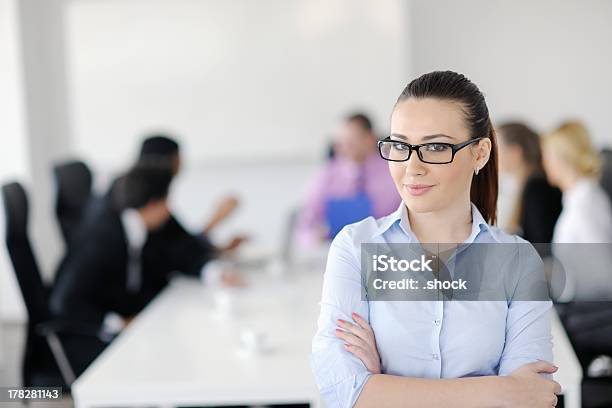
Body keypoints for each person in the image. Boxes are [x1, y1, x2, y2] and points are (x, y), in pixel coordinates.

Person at [310, 71, 560, 407]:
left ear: (480, 153)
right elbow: (344, 392)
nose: (412, 167)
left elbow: (531, 399)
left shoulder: (518, 261)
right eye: (400, 145)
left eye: (436, 146)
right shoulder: (355, 247)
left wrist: (381, 385)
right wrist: (500, 389)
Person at [295, 114, 401, 247]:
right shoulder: (325, 175)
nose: (344, 147)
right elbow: (305, 225)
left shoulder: (394, 170)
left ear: (370, 138)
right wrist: (315, 239)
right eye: (341, 142)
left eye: (351, 141)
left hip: (387, 250)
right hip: (335, 249)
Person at [541, 121, 612, 243]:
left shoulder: (585, 204)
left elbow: (601, 259)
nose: (544, 163)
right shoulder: (577, 197)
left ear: (563, 159)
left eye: (547, 157)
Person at [497, 122, 562, 245]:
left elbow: (541, 245)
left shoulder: (537, 189)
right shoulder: (525, 185)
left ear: (515, 153)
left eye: (496, 148)